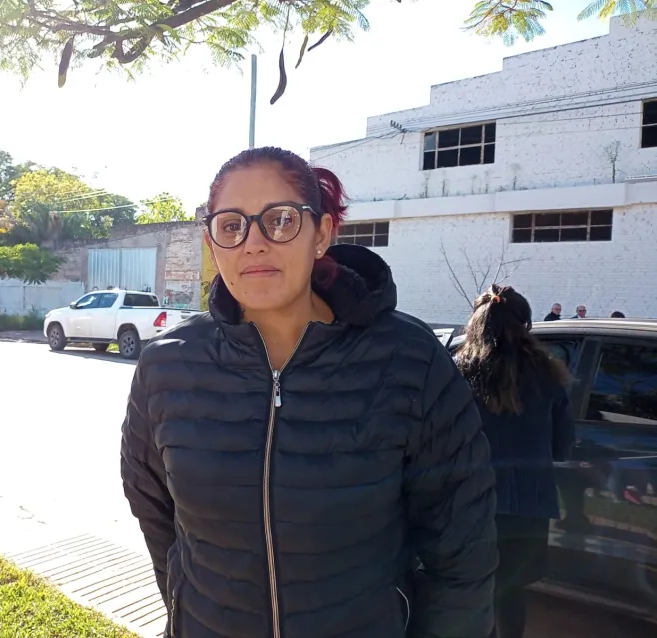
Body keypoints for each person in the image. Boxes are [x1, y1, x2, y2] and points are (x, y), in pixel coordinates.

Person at [121, 146, 498, 638]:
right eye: (232, 226)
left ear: (321, 234)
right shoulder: (165, 366)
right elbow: (159, 522)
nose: (254, 244)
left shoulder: (409, 361)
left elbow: (461, 553)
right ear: (213, 245)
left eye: (280, 220)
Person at [454, 284, 576, 638]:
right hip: (528, 506)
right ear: (526, 325)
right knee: (510, 592)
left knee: (470, 594)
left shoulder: (457, 371)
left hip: (469, 505)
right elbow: (562, 448)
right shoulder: (549, 373)